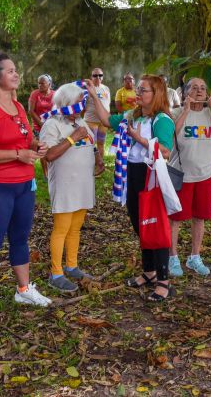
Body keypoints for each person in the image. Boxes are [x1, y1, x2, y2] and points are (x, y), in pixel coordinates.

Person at [0, 52, 52, 325]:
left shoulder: (17, 106)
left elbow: (25, 140)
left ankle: (24, 289)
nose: (16, 74)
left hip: (24, 185)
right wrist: (17, 154)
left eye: (16, 70)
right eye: (10, 71)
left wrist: (35, 146)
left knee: (20, 238)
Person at [85, 74, 176, 302]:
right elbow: (106, 120)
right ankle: (149, 271)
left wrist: (139, 138)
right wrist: (94, 95)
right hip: (132, 174)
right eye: (138, 89)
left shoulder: (162, 120)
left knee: (155, 225)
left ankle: (164, 281)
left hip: (151, 176)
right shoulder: (132, 115)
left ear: (156, 94)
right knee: (139, 223)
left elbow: (165, 151)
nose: (138, 93)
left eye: (143, 90)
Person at [41, 83, 105, 292]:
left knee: (75, 228)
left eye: (83, 102)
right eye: (78, 102)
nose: (82, 106)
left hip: (83, 183)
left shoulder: (80, 121)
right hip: (65, 185)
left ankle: (72, 265)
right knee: (61, 229)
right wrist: (72, 137)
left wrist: (97, 158)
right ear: (66, 103)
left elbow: (91, 144)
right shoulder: (52, 124)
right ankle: (56, 273)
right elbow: (49, 155)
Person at [167, 78, 211, 277]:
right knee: (176, 218)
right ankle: (172, 257)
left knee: (199, 217)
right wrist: (186, 111)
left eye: (203, 88)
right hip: (181, 175)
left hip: (205, 174)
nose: (200, 91)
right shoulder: (176, 113)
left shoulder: (210, 114)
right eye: (194, 88)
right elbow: (170, 136)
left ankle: (195, 257)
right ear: (186, 93)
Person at [28, 74, 54, 178]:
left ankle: (53, 170)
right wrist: (42, 124)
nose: (40, 85)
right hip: (39, 126)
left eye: (42, 83)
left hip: (52, 125)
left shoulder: (55, 94)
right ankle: (45, 173)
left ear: (49, 84)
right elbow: (31, 111)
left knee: (52, 147)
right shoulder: (35, 94)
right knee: (42, 149)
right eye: (38, 83)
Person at [83, 67, 111, 155]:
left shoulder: (106, 88)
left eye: (100, 75)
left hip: (103, 123)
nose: (98, 77)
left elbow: (107, 104)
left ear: (103, 76)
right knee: (90, 145)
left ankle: (100, 162)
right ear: (91, 77)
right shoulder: (87, 89)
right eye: (95, 75)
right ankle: (90, 162)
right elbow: (82, 106)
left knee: (101, 144)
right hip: (90, 121)